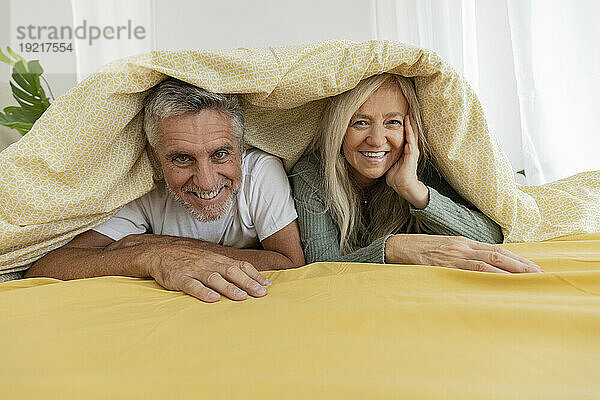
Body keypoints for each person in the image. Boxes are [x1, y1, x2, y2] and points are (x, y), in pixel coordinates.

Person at [25, 78, 305, 301]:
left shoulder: (261, 171)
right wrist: (151, 258)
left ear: (241, 149)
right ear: (157, 160)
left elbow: (290, 262)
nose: (206, 182)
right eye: (182, 158)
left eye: (220, 154)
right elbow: (49, 267)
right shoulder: (140, 185)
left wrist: (172, 248)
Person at [291, 73, 542, 274]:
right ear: (339, 128)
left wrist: (414, 190)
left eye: (393, 122)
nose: (377, 140)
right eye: (360, 122)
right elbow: (320, 267)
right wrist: (393, 249)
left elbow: (492, 238)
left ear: (410, 128)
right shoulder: (312, 175)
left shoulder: (419, 166)